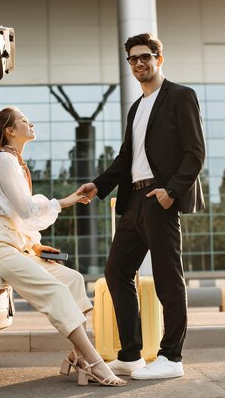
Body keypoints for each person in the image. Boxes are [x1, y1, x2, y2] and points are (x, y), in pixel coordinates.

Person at [76, 33, 205, 380]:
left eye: (145, 57)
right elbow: (125, 158)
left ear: (159, 58)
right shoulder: (137, 107)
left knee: (167, 280)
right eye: (132, 59)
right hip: (133, 202)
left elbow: (195, 153)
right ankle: (131, 355)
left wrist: (171, 192)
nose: (138, 64)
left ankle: (171, 358)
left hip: (160, 201)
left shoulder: (181, 96)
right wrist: (99, 184)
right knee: (116, 272)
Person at [0, 106, 126, 387]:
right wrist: (65, 201)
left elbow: (22, 220)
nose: (31, 124)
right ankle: (94, 362)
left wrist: (37, 247)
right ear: (10, 131)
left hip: (17, 244)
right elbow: (26, 210)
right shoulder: (3, 161)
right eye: (24, 121)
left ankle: (78, 356)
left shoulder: (15, 163)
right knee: (55, 290)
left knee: (72, 279)